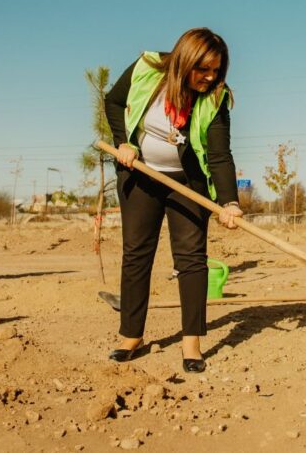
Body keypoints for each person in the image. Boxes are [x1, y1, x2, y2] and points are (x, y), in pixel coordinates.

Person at [104, 27, 243, 373]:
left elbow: (220, 155)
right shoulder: (147, 68)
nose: (210, 77)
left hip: (189, 183)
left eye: (217, 71)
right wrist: (124, 142)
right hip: (141, 174)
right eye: (203, 69)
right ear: (185, 61)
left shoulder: (215, 98)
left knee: (192, 260)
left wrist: (229, 202)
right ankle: (130, 336)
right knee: (136, 254)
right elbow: (114, 101)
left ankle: (191, 343)